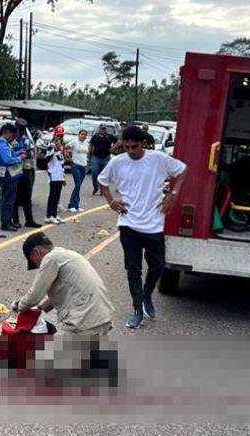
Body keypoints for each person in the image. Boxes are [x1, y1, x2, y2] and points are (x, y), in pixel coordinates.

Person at [98, 124, 188, 330]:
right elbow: (102, 181)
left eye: (134, 147)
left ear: (144, 144)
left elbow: (183, 171)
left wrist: (174, 194)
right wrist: (111, 201)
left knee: (157, 266)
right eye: (126, 147)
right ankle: (138, 309)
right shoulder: (117, 162)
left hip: (154, 224)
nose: (130, 151)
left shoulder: (158, 159)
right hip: (128, 223)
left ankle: (147, 294)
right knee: (133, 269)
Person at [16, 232, 113, 335]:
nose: (38, 266)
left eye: (34, 262)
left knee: (49, 350)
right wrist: (40, 308)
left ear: (36, 252)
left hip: (85, 322)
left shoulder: (50, 259)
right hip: (102, 318)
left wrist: (19, 306)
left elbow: (34, 296)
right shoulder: (66, 255)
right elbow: (65, 291)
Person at [11, 119, 42, 229]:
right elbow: (11, 153)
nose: (22, 132)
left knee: (27, 197)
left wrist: (22, 153)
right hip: (15, 170)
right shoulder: (11, 140)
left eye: (23, 130)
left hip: (26, 170)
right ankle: (15, 220)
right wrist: (21, 153)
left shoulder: (26, 139)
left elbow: (31, 152)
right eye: (20, 130)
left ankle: (29, 220)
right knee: (14, 197)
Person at [0, 122, 22, 235]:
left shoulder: (6, 144)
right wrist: (20, 158)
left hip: (11, 175)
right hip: (7, 175)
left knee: (10, 199)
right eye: (13, 135)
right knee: (7, 200)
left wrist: (18, 153)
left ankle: (8, 221)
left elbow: (11, 155)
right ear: (8, 133)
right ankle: (5, 223)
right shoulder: (2, 145)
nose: (14, 138)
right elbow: (7, 160)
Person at [67, 127, 89, 212]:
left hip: (83, 166)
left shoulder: (86, 143)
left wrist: (87, 164)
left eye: (85, 135)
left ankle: (76, 205)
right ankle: (71, 204)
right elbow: (65, 148)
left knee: (79, 186)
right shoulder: (74, 141)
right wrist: (69, 158)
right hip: (75, 165)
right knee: (78, 184)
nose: (83, 136)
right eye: (82, 134)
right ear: (78, 135)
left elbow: (87, 154)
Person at [45, 135, 66, 224]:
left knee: (57, 196)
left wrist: (64, 177)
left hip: (60, 176)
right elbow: (47, 158)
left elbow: (62, 164)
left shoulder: (60, 151)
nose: (58, 143)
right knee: (52, 196)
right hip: (53, 175)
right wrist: (53, 149)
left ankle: (54, 214)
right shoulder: (51, 148)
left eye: (60, 141)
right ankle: (49, 215)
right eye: (57, 141)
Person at [88, 124, 113, 193]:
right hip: (96, 157)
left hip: (106, 157)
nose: (103, 130)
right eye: (102, 129)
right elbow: (91, 144)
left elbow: (117, 142)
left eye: (104, 129)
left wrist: (113, 149)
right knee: (94, 173)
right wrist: (89, 153)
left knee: (104, 175)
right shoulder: (95, 137)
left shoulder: (109, 137)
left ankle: (102, 189)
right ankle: (95, 187)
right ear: (99, 129)